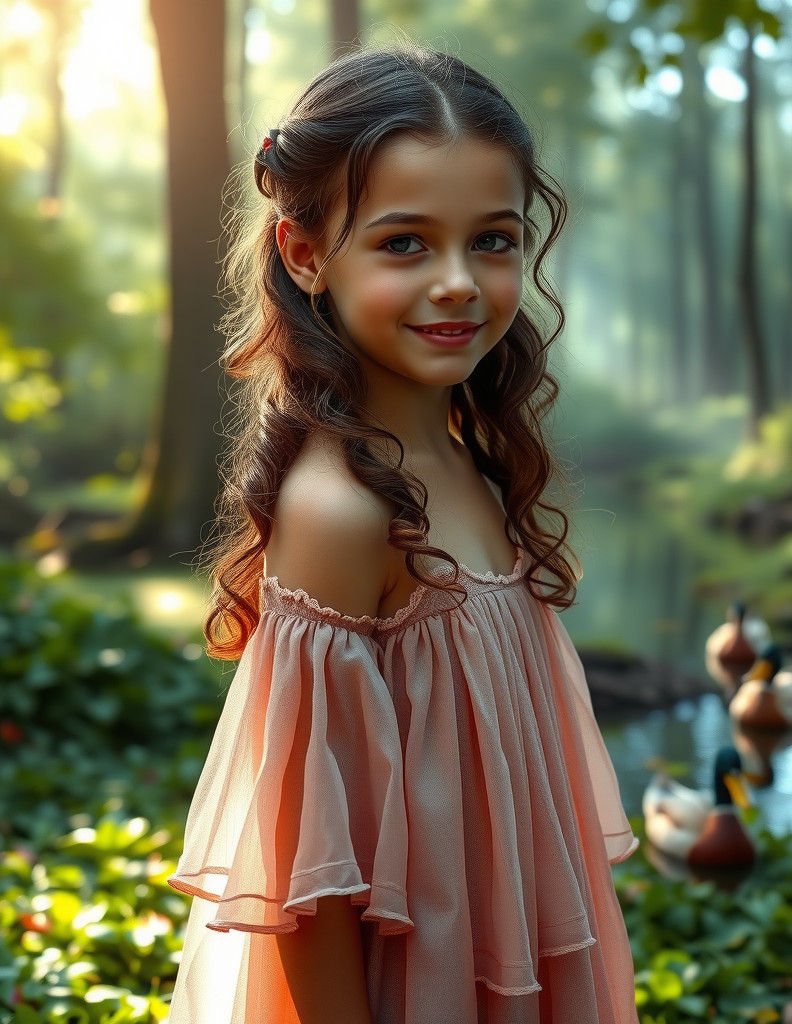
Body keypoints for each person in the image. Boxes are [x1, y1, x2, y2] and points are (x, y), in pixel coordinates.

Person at [165, 36, 640, 1024]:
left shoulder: (471, 461)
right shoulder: (342, 512)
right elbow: (308, 891)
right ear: (306, 253)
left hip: (508, 955)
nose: (460, 281)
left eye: (494, 240)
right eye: (404, 242)